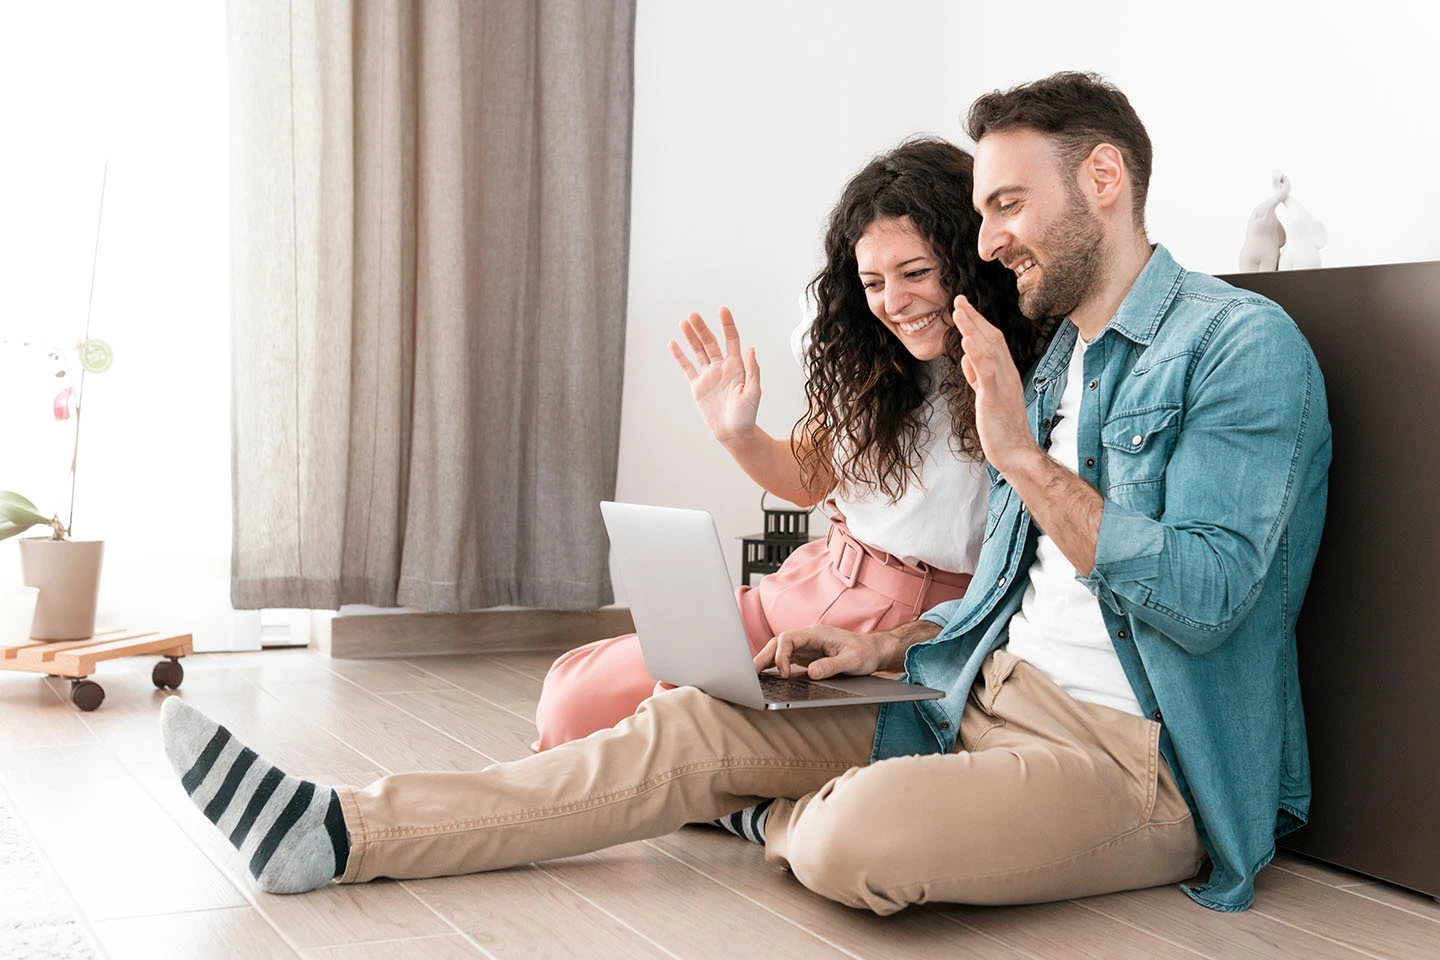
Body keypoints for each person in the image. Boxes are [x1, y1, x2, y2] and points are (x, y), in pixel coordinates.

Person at [160, 71, 1330, 914]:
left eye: (1006, 207)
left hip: (1134, 758)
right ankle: (338, 830)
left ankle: (763, 812)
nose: (987, 239)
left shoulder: (1240, 347)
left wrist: (1021, 456)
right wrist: (883, 650)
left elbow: (1207, 600)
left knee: (851, 840)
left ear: (1105, 180)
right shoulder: (1063, 358)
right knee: (684, 725)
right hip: (968, 687)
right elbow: (1013, 600)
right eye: (980, 212)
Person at [532, 137, 1050, 756]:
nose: (893, 304)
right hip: (816, 580)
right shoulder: (874, 361)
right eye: (873, 282)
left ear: (971, 261)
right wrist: (738, 435)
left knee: (683, 728)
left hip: (915, 624)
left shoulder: (1031, 372)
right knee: (571, 698)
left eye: (915, 273)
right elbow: (807, 479)